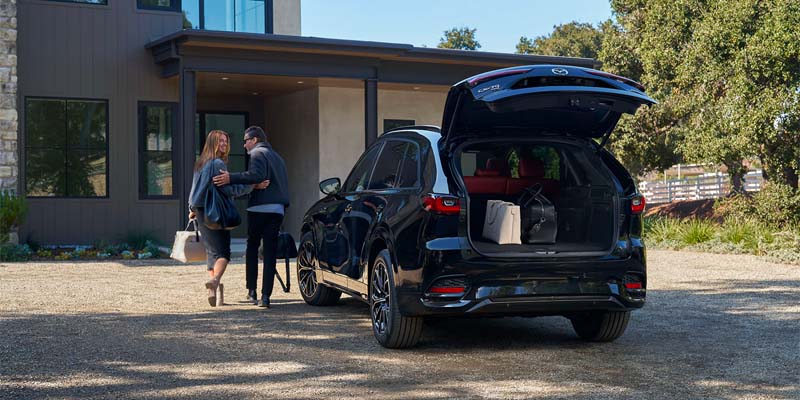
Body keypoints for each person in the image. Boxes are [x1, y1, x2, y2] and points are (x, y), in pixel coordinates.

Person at [188, 130, 268, 307]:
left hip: (200, 211)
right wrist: (252, 186)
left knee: (212, 253)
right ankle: (215, 281)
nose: (224, 144)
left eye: (225, 141)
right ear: (213, 143)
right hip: (215, 211)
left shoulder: (200, 163)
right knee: (223, 253)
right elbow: (229, 189)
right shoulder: (217, 163)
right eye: (221, 141)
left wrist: (192, 208)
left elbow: (194, 190)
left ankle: (216, 293)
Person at [213, 126, 290, 308]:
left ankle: (252, 291)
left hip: (259, 208)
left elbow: (256, 175)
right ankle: (266, 297)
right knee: (270, 252)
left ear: (254, 140)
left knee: (253, 247)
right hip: (277, 209)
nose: (244, 145)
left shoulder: (257, 153)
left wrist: (231, 178)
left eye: (246, 140)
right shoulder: (278, 158)